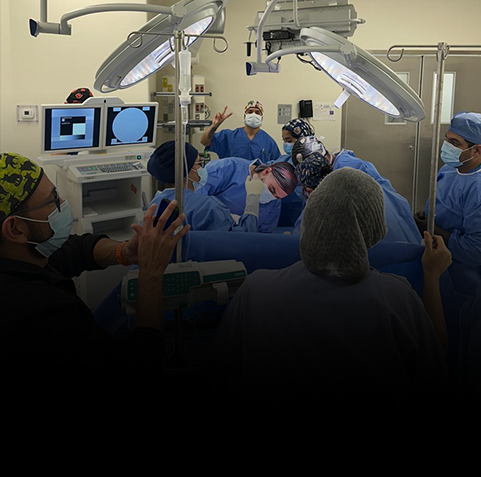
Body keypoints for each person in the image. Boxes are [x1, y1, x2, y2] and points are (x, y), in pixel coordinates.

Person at [212, 167, 451, 417]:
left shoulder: (255, 292)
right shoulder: (397, 300)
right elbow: (434, 374)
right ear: (375, 230)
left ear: (310, 219)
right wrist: (432, 276)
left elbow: (222, 370)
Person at [0, 152, 189, 392]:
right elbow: (139, 371)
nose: (62, 203)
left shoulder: (20, 254)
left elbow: (76, 249)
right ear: (15, 229)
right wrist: (151, 274)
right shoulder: (34, 319)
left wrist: (124, 252)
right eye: (52, 200)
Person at [413, 111, 481, 399]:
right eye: (446, 139)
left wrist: (436, 232)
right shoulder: (450, 170)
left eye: (455, 143)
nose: (447, 147)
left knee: (460, 351)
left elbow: (476, 248)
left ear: (477, 150)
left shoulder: (478, 187)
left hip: (465, 284)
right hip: (440, 273)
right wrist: (425, 219)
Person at [290, 136, 422, 244]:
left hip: (384, 241)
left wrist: (294, 237)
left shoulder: (343, 177)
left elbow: (312, 222)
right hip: (405, 235)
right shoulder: (348, 165)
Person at [146, 141, 264, 232]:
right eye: (198, 164)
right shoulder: (206, 206)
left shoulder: (156, 201)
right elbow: (245, 239)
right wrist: (253, 198)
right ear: (186, 170)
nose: (202, 168)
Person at [195, 156, 298, 233]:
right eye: (271, 190)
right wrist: (222, 217)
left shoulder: (274, 204)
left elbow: (262, 236)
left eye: (277, 197)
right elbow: (196, 201)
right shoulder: (229, 168)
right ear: (266, 171)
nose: (271, 197)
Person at [200, 100, 281, 163]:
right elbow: (204, 141)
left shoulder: (269, 142)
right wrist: (214, 126)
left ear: (261, 117)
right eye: (250, 112)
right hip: (231, 179)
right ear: (245, 116)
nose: (253, 115)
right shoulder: (229, 136)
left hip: (259, 180)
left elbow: (278, 166)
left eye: (257, 113)